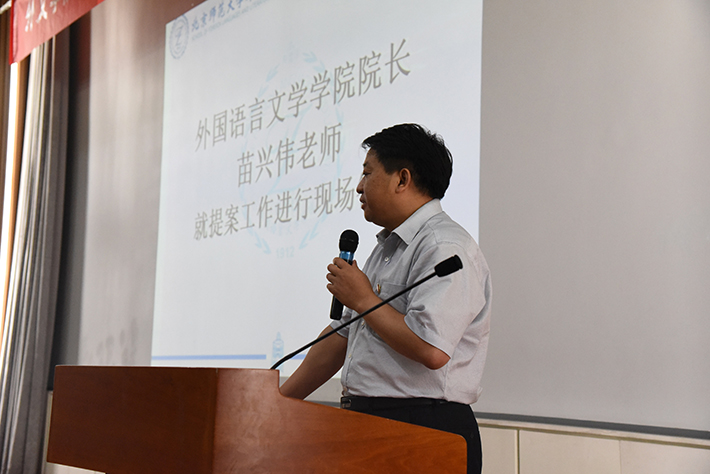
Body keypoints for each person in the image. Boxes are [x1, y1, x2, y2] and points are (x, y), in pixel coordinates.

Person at [280, 123, 491, 474]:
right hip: (369, 422)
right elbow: (342, 338)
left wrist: (363, 299)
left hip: (425, 428)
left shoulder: (444, 246)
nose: (359, 186)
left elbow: (432, 349)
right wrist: (278, 402)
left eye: (367, 173)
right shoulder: (388, 248)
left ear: (402, 179)